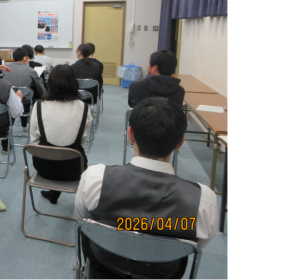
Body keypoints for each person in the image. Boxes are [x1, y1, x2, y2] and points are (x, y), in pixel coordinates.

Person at [75, 98, 218, 278]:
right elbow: (193, 245)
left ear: (130, 134)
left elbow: (84, 220)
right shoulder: (202, 201)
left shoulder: (95, 179)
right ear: (180, 142)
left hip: (103, 267)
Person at [29, 65, 92, 204]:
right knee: (69, 151)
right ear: (74, 83)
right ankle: (54, 195)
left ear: (50, 84)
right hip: (74, 168)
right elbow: (82, 140)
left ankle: (53, 194)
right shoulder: (84, 107)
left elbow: (34, 141)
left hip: (44, 167)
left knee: (52, 151)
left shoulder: (39, 105)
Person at [3, 48, 46, 127]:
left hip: (8, 101)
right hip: (25, 102)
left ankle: (9, 126)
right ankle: (24, 125)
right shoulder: (31, 70)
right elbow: (40, 88)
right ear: (25, 58)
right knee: (28, 95)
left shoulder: (5, 68)